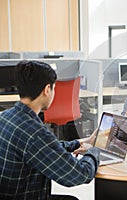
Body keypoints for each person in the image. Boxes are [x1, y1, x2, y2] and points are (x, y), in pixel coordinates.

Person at [0, 60, 100, 199]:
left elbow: (48, 147)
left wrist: (81, 142)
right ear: (47, 90)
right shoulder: (35, 134)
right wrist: (94, 151)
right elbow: (80, 174)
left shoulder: (5, 116)